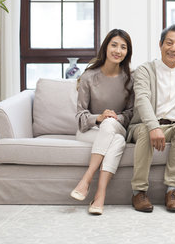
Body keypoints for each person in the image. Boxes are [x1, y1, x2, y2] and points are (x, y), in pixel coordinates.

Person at [128, 25, 175, 213]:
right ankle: (139, 192)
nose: (173, 48)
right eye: (169, 43)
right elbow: (142, 99)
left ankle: (172, 191)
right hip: (143, 125)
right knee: (146, 129)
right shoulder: (144, 70)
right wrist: (154, 127)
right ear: (160, 44)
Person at [70, 29, 134, 215]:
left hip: (117, 126)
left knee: (110, 126)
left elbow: (131, 113)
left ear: (127, 53)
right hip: (89, 131)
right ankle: (100, 195)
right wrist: (99, 117)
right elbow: (80, 115)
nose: (118, 50)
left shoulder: (130, 78)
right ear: (106, 47)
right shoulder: (89, 76)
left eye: (123, 47)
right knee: (117, 142)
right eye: (114, 45)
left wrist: (114, 117)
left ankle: (86, 180)